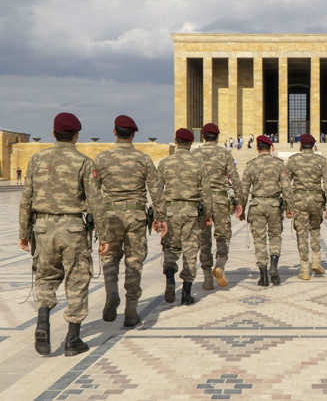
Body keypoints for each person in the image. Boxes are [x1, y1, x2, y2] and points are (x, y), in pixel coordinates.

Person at [18, 112, 105, 356]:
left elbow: (26, 198)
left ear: (53, 133)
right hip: (73, 229)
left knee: (45, 277)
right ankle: (73, 339)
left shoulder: (37, 159)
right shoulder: (84, 162)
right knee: (77, 280)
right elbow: (96, 202)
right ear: (77, 135)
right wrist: (105, 236)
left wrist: (24, 232)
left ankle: (43, 322)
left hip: (43, 228)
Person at [94, 115, 166, 327]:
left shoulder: (102, 158)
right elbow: (157, 191)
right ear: (133, 134)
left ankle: (112, 293)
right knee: (134, 261)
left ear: (114, 132)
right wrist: (160, 217)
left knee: (109, 257)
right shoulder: (143, 159)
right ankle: (131, 311)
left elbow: (92, 192)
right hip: (135, 215)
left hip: (110, 215)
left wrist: (94, 219)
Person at [157, 129, 213, 306]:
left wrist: (158, 216)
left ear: (175, 141)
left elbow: (157, 192)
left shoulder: (165, 163)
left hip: (170, 210)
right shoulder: (198, 163)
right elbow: (206, 191)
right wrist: (208, 214)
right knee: (190, 249)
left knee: (171, 248)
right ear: (190, 144)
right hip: (191, 211)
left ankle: (170, 278)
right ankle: (186, 293)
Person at [192, 123, 244, 290]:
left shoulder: (195, 154)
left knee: (204, 239)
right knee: (223, 237)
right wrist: (240, 201)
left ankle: (207, 278)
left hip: (201, 203)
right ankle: (220, 264)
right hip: (220, 200)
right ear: (218, 137)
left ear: (203, 136)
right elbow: (235, 179)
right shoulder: (224, 153)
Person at [241, 135, 290, 286]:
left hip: (256, 205)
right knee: (275, 236)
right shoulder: (279, 164)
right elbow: (286, 187)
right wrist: (289, 207)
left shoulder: (251, 165)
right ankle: (274, 266)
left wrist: (241, 208)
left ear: (257, 147)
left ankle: (263, 276)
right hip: (274, 205)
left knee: (259, 240)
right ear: (270, 148)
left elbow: (244, 189)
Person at [284, 133, 327, 280]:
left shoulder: (293, 160)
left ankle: (305, 269)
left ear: (300, 145)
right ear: (313, 146)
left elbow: (286, 183)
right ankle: (317, 261)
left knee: (302, 233)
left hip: (299, 200)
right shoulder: (320, 160)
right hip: (317, 200)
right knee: (315, 229)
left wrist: (288, 204)